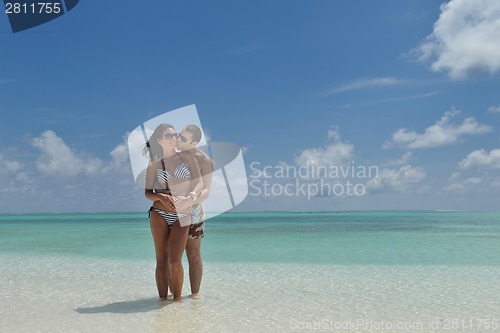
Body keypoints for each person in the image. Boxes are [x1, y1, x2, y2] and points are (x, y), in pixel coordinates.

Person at [144, 123, 203, 302]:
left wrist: (191, 197)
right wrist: (160, 197)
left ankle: (176, 304)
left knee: (174, 262)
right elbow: (148, 193)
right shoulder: (154, 164)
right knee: (161, 261)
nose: (175, 137)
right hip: (159, 214)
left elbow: (199, 182)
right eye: (169, 136)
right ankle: (162, 303)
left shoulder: (187, 157)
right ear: (160, 140)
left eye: (175, 134)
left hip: (183, 214)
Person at [176, 124, 213, 299]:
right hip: (173, 210)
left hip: (194, 211)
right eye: (178, 135)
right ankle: (173, 296)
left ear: (194, 142)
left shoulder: (204, 160)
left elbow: (206, 191)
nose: (178, 140)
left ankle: (195, 295)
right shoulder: (172, 155)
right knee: (172, 255)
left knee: (193, 253)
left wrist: (191, 200)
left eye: (183, 139)